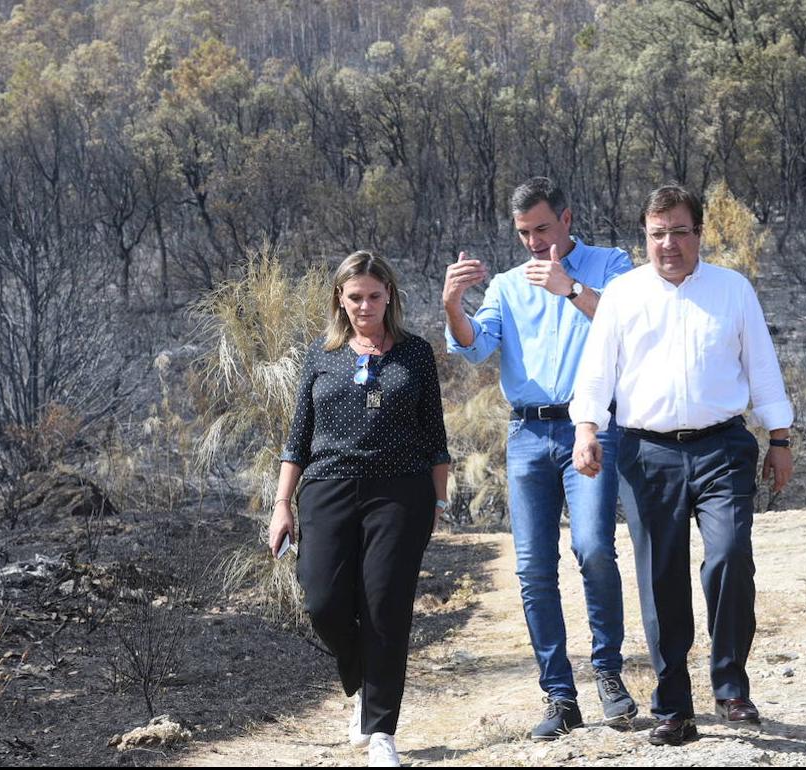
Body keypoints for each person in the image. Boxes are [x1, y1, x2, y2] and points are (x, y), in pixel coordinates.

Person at [570, 184, 794, 747]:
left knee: (729, 556)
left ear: (699, 232)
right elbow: (597, 371)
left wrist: (781, 437)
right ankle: (674, 705)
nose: (668, 243)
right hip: (649, 453)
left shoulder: (732, 290)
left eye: (679, 231)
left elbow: (762, 366)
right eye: (657, 233)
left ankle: (730, 686)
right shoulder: (622, 295)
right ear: (644, 236)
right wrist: (587, 429)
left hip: (723, 446)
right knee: (660, 577)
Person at [443, 177, 638, 739]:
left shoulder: (610, 264)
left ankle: (608, 673)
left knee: (595, 548)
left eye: (542, 228)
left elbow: (630, 328)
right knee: (532, 568)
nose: (533, 241)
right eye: (524, 232)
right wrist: (454, 304)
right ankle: (559, 694)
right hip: (527, 437)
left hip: (592, 427)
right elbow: (477, 347)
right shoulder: (505, 285)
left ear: (567, 218)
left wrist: (568, 287)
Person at [268, 251, 450, 768]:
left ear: (389, 294)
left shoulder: (414, 354)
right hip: (326, 489)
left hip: (400, 493)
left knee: (385, 607)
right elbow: (297, 438)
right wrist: (283, 504)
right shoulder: (320, 355)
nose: (364, 306)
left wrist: (437, 500)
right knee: (322, 602)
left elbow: (435, 437)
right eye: (354, 297)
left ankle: (381, 731)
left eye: (373, 295)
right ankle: (362, 684)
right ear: (339, 300)